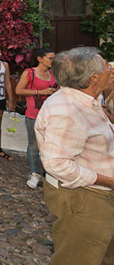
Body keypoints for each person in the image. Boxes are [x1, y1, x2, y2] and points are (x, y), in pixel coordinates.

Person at [35, 47, 114, 265]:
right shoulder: (66, 111)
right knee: (78, 258)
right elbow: (56, 164)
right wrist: (108, 181)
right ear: (94, 77)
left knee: (104, 253)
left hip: (97, 192)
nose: (112, 70)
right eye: (108, 66)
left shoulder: (86, 98)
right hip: (84, 196)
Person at [15, 48, 57, 189]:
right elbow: (18, 90)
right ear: (40, 59)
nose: (52, 61)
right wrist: (40, 92)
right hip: (33, 113)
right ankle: (35, 173)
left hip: (50, 115)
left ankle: (48, 173)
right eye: (50, 58)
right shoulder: (30, 73)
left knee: (49, 145)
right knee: (34, 145)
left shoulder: (52, 74)